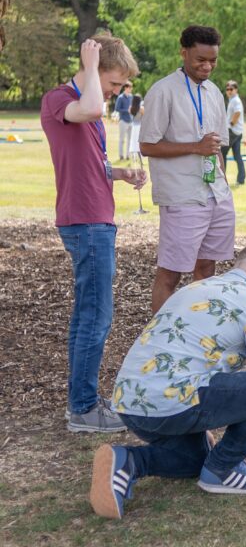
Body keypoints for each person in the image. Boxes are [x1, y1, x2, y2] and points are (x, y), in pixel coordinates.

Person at [89, 242, 246, 519]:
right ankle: (223, 469)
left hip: (130, 405)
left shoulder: (193, 289)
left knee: (196, 460)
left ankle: (128, 462)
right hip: (175, 402)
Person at [41, 35, 147, 433]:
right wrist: (90, 66)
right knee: (97, 317)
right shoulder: (60, 99)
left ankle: (81, 402)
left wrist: (118, 173)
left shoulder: (85, 105)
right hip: (85, 221)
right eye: (114, 82)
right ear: (94, 69)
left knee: (88, 316)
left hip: (96, 217)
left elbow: (89, 161)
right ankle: (83, 410)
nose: (117, 92)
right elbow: (90, 106)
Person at [140, 25, 234, 314]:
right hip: (182, 196)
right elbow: (147, 146)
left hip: (215, 194)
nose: (207, 66)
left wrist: (223, 183)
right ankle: (161, 342)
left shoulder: (215, 92)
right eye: (200, 60)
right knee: (171, 273)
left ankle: (200, 333)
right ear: (183, 53)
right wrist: (195, 147)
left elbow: (217, 146)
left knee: (207, 268)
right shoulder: (163, 90)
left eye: (213, 60)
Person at [223, 80, 246, 185]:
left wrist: (231, 124)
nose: (229, 91)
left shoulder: (235, 100)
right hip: (238, 132)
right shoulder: (233, 100)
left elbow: (237, 112)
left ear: (236, 90)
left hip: (232, 131)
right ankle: (241, 179)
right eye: (227, 89)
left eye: (231, 89)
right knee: (237, 156)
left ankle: (222, 179)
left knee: (222, 153)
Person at [114, 81, 133, 160]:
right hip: (123, 121)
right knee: (122, 140)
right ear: (125, 88)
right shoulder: (120, 97)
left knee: (129, 140)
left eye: (131, 88)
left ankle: (128, 155)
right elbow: (117, 108)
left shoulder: (131, 97)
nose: (131, 89)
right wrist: (126, 110)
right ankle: (121, 156)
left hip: (130, 121)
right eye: (129, 88)